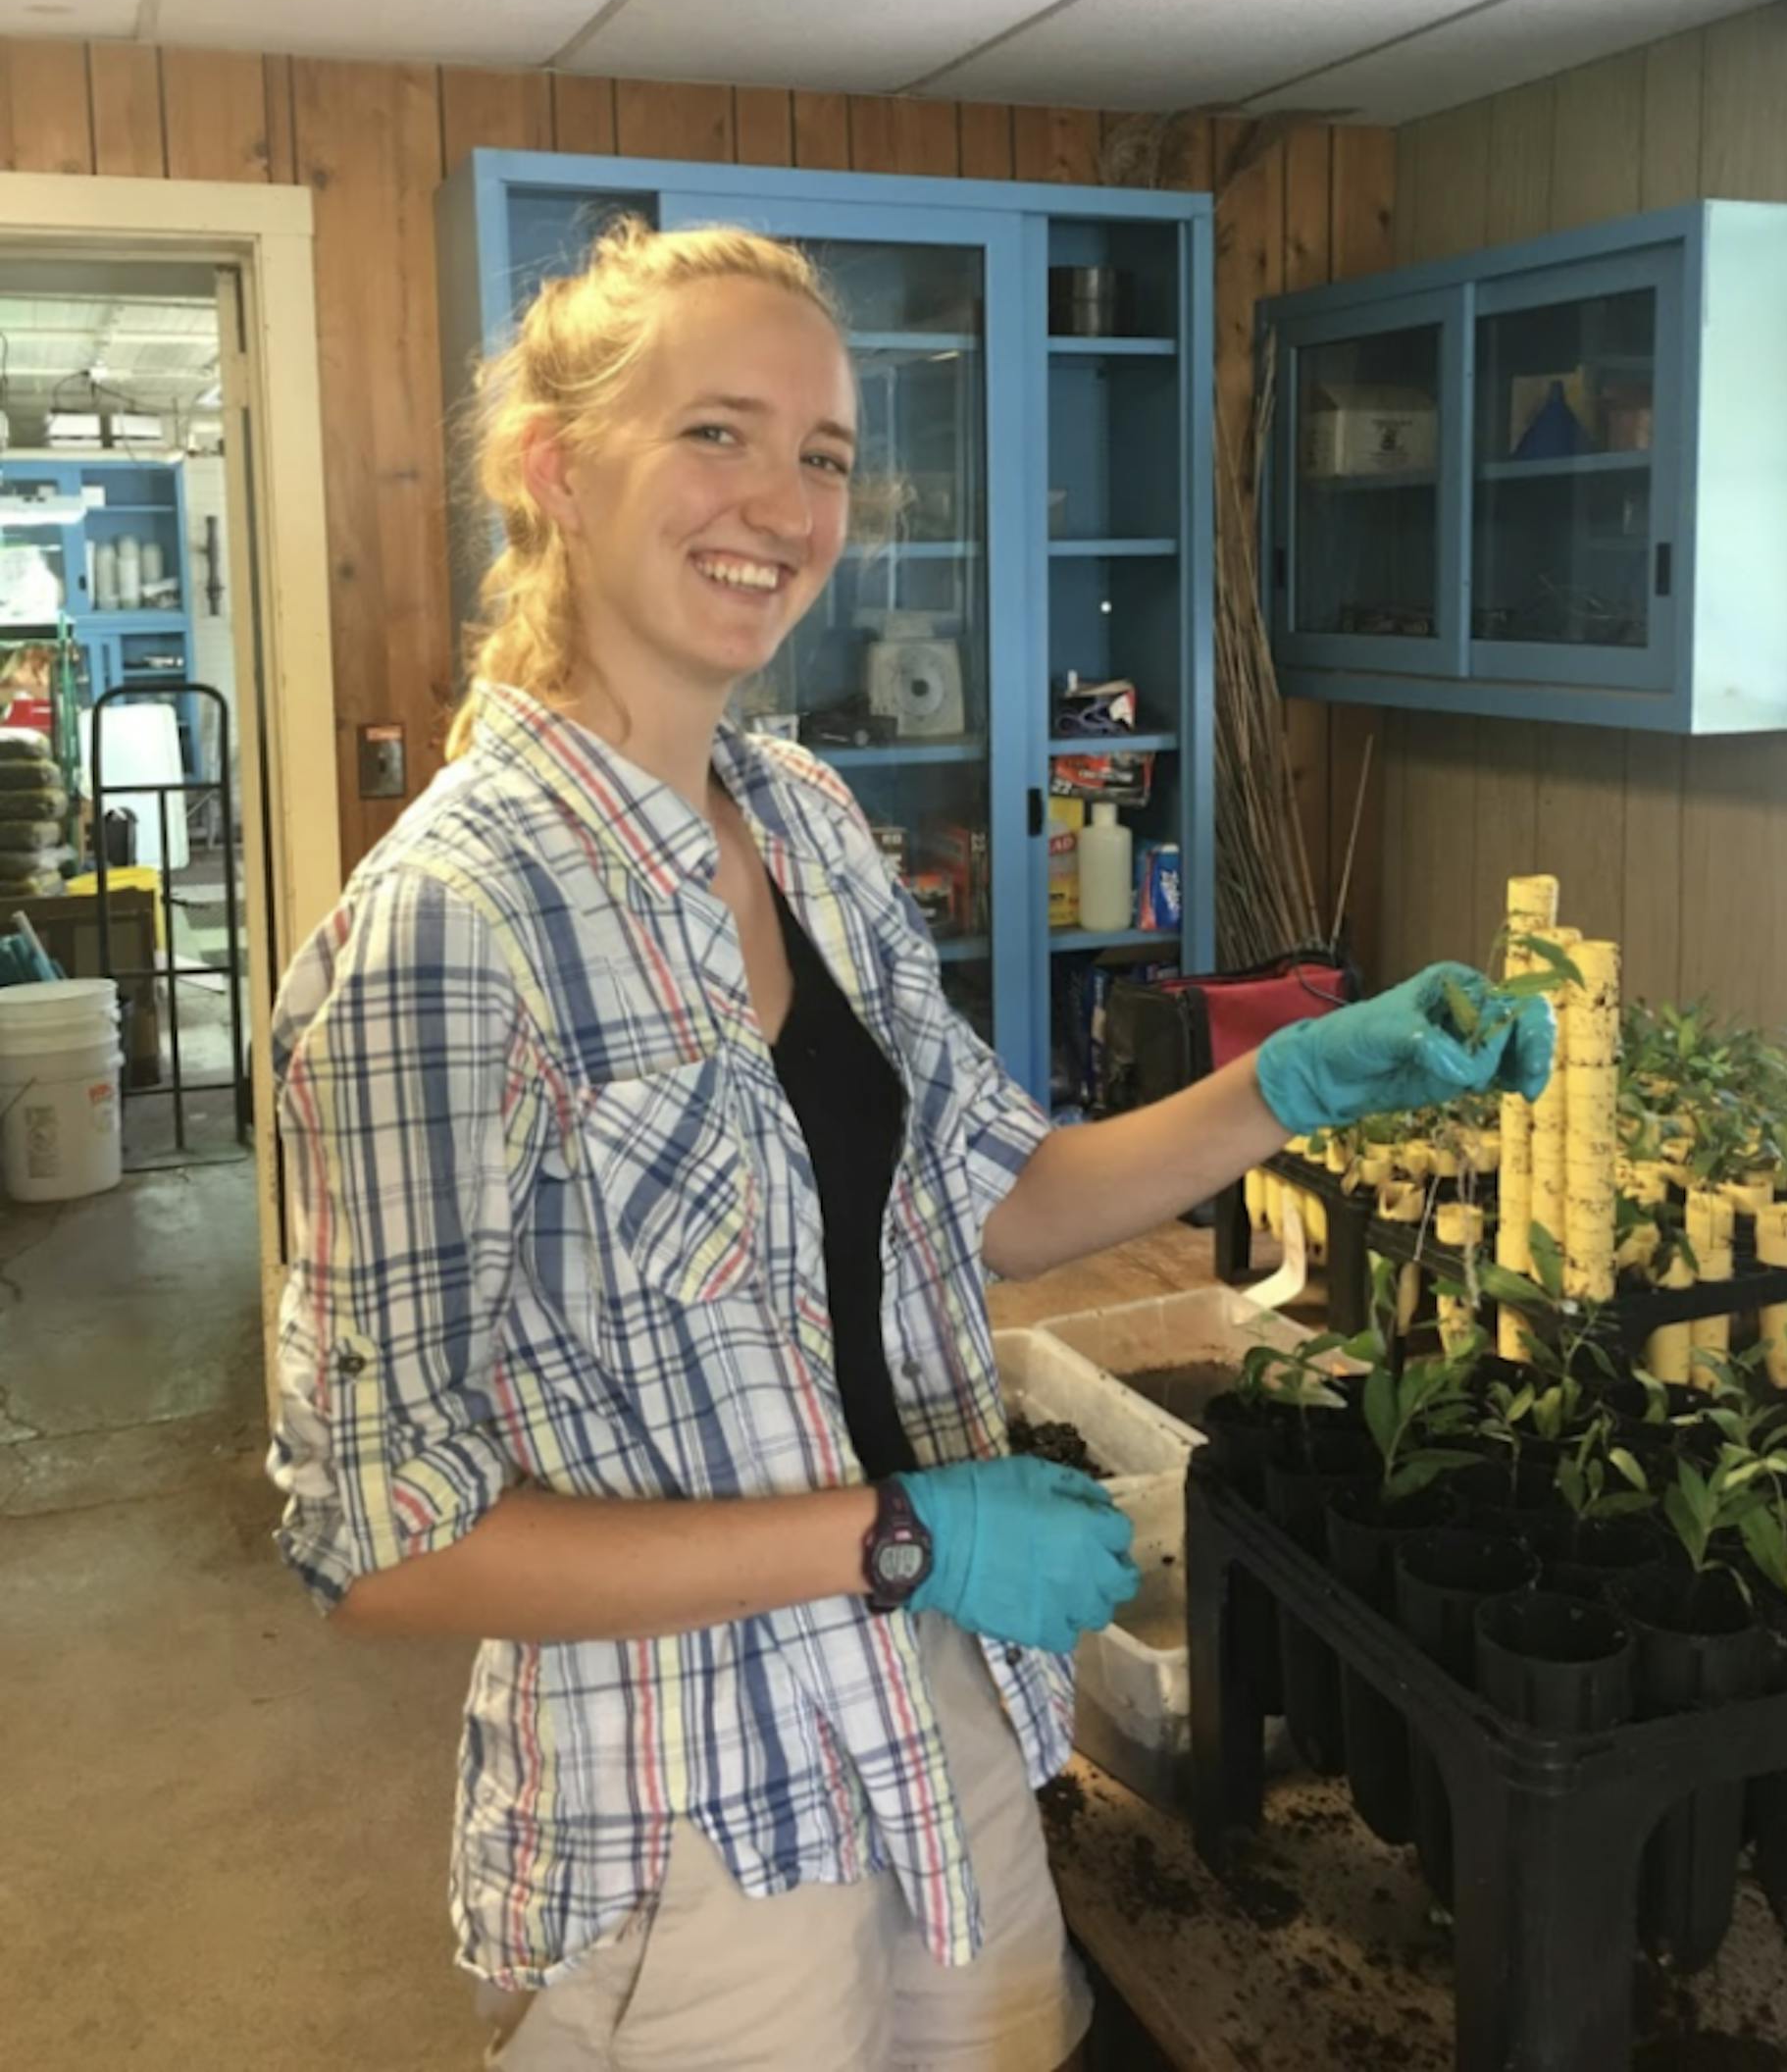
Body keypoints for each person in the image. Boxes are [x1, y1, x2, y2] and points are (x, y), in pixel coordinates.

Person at [267, 219, 1551, 2072]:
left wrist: (1293, 1083)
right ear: (554, 469)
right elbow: (378, 1541)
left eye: (826, 454)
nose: (780, 505)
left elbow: (1002, 1204)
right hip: (694, 1817)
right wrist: (889, 1534)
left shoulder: (804, 819)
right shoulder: (447, 926)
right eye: (716, 431)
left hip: (928, 1710)